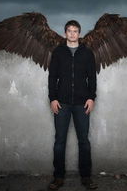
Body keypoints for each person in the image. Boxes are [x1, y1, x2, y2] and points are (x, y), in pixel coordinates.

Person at [47, 20, 98, 190]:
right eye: (69, 31)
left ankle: (86, 177)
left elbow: (92, 77)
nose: (72, 34)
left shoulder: (87, 53)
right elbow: (52, 77)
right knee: (59, 141)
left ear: (79, 34)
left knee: (84, 141)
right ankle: (58, 177)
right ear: (65, 33)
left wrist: (92, 98)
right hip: (61, 103)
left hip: (82, 103)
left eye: (75, 31)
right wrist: (52, 98)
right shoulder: (58, 52)